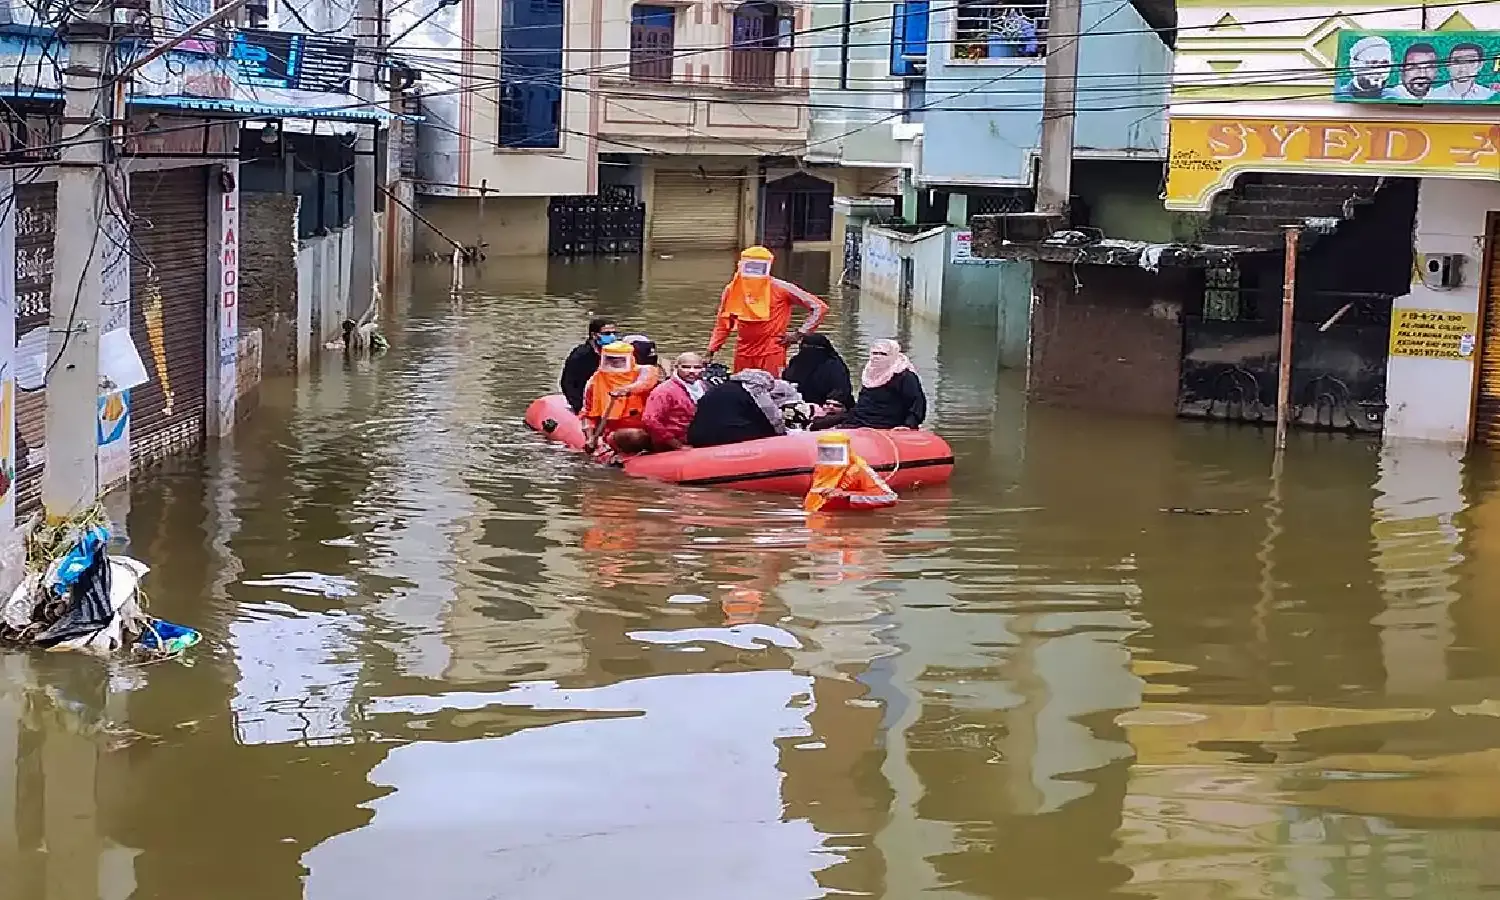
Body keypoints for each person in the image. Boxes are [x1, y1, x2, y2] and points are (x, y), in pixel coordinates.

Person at [707, 246, 829, 377]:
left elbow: (819, 307)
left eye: (759, 267)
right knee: (742, 390)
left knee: (773, 389)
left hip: (772, 350)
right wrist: (711, 351)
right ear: (741, 265)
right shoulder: (733, 290)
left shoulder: (781, 288)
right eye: (750, 266)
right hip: (743, 351)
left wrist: (799, 334)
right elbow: (723, 324)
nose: (754, 272)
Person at [813, 339, 927, 430]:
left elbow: (917, 403)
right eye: (874, 353)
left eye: (882, 354)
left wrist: (908, 425)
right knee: (819, 424)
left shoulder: (904, 376)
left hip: (888, 423)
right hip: (860, 420)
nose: (877, 357)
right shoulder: (869, 372)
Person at [686, 368, 802, 448]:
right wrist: (783, 435)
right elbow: (770, 415)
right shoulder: (757, 389)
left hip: (698, 435)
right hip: (727, 435)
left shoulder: (723, 387)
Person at [803, 431, 898, 513]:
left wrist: (848, 496)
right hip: (822, 521)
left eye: (834, 451)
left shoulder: (859, 470)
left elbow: (890, 498)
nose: (829, 455)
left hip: (854, 524)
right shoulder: (821, 469)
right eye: (825, 451)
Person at [581, 341, 648, 453]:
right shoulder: (594, 382)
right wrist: (590, 437)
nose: (615, 362)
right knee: (633, 435)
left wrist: (626, 390)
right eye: (610, 359)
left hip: (645, 426)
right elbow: (588, 413)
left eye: (620, 359)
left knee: (639, 434)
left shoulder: (644, 371)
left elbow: (646, 382)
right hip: (615, 431)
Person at [642, 352, 707, 451]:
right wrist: (676, 444)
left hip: (696, 438)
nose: (692, 371)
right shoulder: (664, 391)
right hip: (673, 443)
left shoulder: (703, 386)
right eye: (686, 367)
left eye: (697, 367)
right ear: (676, 367)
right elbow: (649, 420)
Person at [781, 332, 854, 410]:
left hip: (828, 409)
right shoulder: (796, 362)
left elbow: (840, 393)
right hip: (800, 407)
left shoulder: (834, 366)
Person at [561, 317, 619, 413]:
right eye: (607, 334)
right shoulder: (581, 355)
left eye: (614, 333)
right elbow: (567, 383)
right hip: (586, 402)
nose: (612, 337)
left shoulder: (616, 354)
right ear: (594, 335)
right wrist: (579, 406)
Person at [1342, 35, 1393, 99]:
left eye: (1385, 64)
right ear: (1353, 65)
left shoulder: (1396, 97)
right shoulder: (1340, 96)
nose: (1380, 70)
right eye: (1372, 63)